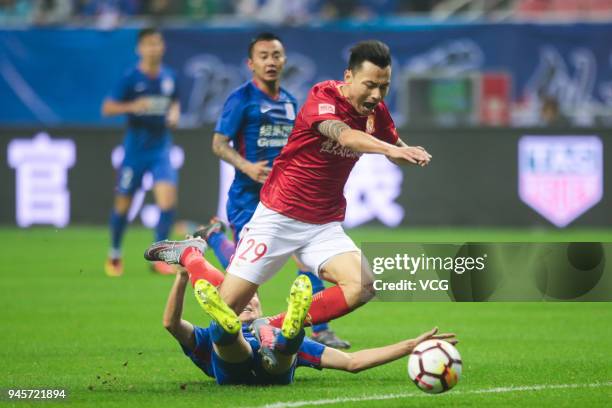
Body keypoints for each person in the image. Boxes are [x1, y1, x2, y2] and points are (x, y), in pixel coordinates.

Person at [211, 39, 432, 358]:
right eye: (370, 85)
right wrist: (391, 149)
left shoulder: (376, 111)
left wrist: (405, 152)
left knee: (363, 285)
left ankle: (274, 326)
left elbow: (393, 143)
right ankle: (193, 259)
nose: (376, 95)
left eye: (384, 87)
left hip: (322, 225)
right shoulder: (323, 96)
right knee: (225, 311)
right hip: (278, 217)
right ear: (349, 77)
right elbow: (345, 136)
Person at [199, 32, 350, 348]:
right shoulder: (241, 99)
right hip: (247, 199)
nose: (271, 61)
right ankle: (214, 237)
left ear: (284, 60)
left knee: (307, 263)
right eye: (264, 56)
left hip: (286, 198)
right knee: (244, 275)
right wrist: (247, 167)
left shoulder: (291, 102)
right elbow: (217, 144)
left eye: (276, 55)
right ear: (250, 63)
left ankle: (321, 330)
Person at [160, 240, 458, 385]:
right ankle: (236, 328)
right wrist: (181, 278)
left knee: (273, 349)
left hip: (268, 361)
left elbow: (352, 362)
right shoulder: (202, 340)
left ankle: (287, 334)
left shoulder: (269, 325)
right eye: (244, 302)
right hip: (242, 361)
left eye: (254, 299)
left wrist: (409, 346)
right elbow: (171, 324)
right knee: (227, 339)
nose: (250, 301)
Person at [102, 27, 180, 277]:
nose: (153, 48)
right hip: (135, 151)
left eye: (157, 43)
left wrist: (175, 113)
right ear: (140, 49)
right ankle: (114, 253)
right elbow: (108, 108)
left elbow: (175, 101)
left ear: (163, 46)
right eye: (148, 44)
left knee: (167, 200)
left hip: (161, 149)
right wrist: (133, 106)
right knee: (123, 205)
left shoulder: (170, 77)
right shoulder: (130, 78)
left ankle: (159, 258)